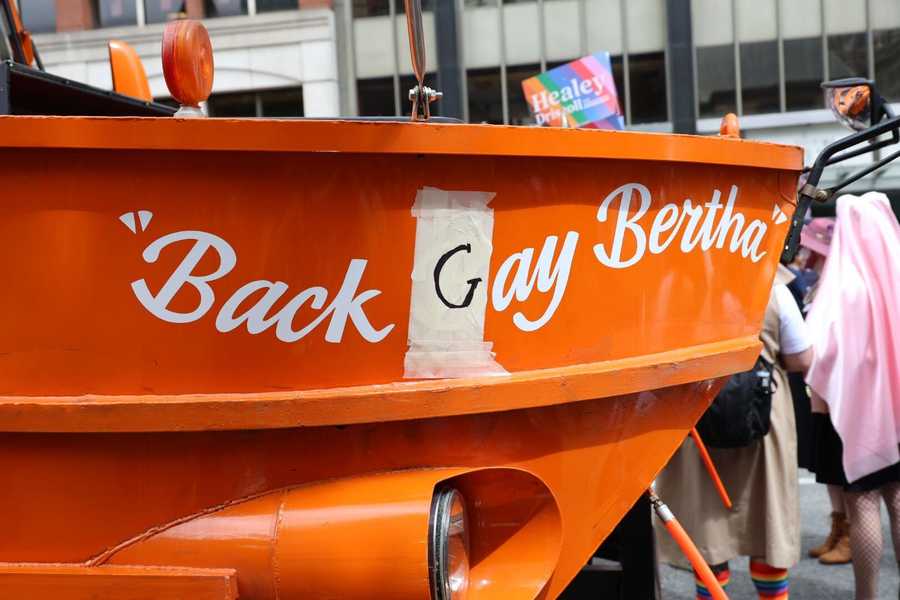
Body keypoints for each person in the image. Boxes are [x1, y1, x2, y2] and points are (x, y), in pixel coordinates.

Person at [655, 263, 812, 600]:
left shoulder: (673, 286)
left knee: (707, 528)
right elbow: (802, 358)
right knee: (766, 522)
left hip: (697, 413)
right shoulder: (774, 290)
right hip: (763, 416)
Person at [805, 191, 900, 600]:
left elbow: (815, 353)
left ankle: (867, 596)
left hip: (851, 415)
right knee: (898, 499)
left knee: (861, 505)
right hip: (898, 413)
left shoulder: (841, 289)